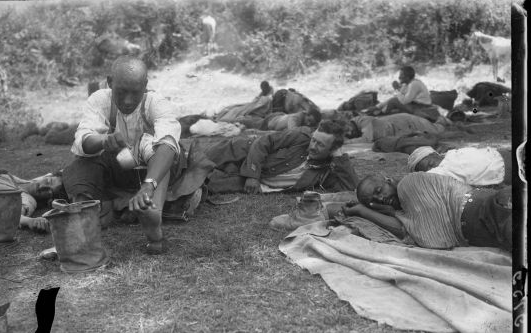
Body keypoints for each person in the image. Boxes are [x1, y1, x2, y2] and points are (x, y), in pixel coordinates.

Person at [62, 56, 182, 255]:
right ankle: (85, 212)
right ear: (110, 82)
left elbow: (168, 144)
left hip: (153, 174)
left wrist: (148, 185)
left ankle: (154, 213)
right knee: (79, 166)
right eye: (121, 92)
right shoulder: (100, 100)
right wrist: (103, 140)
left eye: (135, 93)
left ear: (145, 85)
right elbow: (83, 140)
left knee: (159, 149)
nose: (127, 101)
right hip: (118, 170)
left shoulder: (156, 103)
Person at [342, 172, 512, 251]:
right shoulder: (407, 212)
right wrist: (364, 210)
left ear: (389, 180)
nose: (380, 199)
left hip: (494, 209)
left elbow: (422, 233)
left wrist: (363, 211)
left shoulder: (409, 184)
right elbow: (410, 228)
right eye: (372, 202)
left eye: (379, 191)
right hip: (489, 228)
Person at [205, 120, 359, 194]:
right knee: (199, 163)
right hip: (242, 152)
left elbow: (351, 188)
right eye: (314, 140)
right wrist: (252, 175)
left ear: (332, 150)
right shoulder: (300, 137)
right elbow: (263, 142)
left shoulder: (325, 172)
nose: (312, 146)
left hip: (252, 181)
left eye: (320, 145)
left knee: (207, 187)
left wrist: (340, 157)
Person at [0, 170, 66, 232]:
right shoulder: (24, 181)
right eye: (48, 181)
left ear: (49, 200)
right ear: (47, 176)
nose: (42, 186)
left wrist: (30, 221)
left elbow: (15, 215)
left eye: (49, 191)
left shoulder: (28, 200)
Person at [407, 146, 512, 186]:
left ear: (435, 154)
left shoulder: (452, 155)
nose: (432, 169)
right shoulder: (443, 170)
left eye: (430, 164)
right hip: (504, 166)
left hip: (504, 159)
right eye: (427, 170)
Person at [371, 66, 440, 122]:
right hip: (415, 105)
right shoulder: (407, 84)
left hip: (421, 108)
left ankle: (380, 114)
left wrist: (397, 89)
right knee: (394, 101)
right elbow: (398, 97)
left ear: (407, 77)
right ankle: (376, 110)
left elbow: (404, 101)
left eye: (401, 75)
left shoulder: (414, 84)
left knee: (394, 101)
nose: (399, 77)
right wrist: (377, 106)